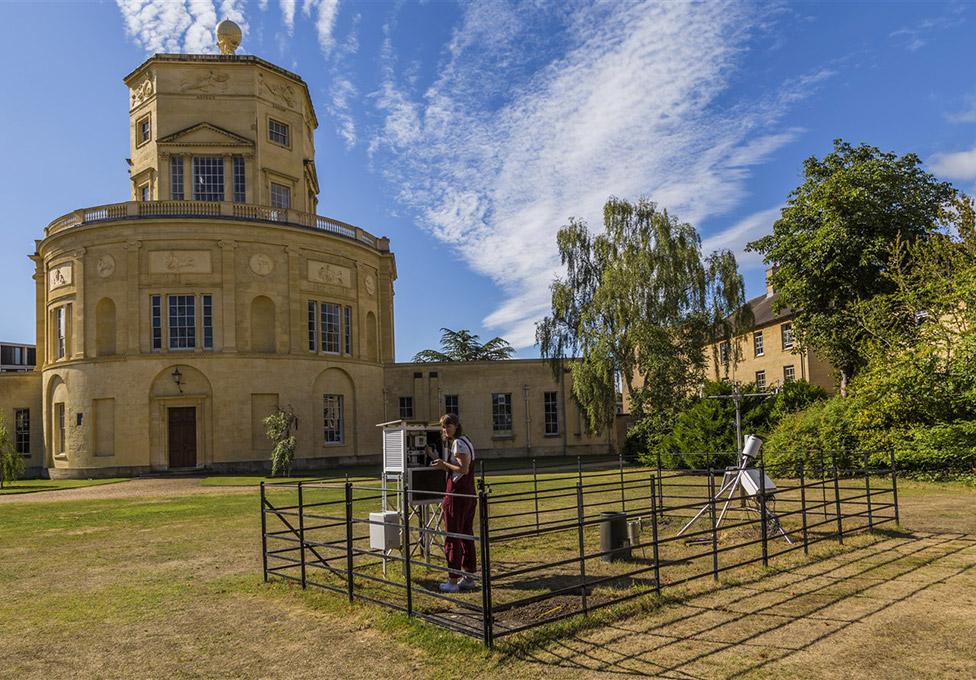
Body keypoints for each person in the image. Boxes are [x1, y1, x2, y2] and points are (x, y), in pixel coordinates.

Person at [429, 413, 478, 592]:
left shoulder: (458, 443)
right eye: (443, 426)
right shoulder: (467, 441)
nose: (445, 429)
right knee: (466, 535)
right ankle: (469, 576)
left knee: (452, 536)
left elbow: (463, 469)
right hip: (468, 494)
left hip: (457, 494)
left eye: (448, 425)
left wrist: (444, 464)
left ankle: (452, 580)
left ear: (457, 426)